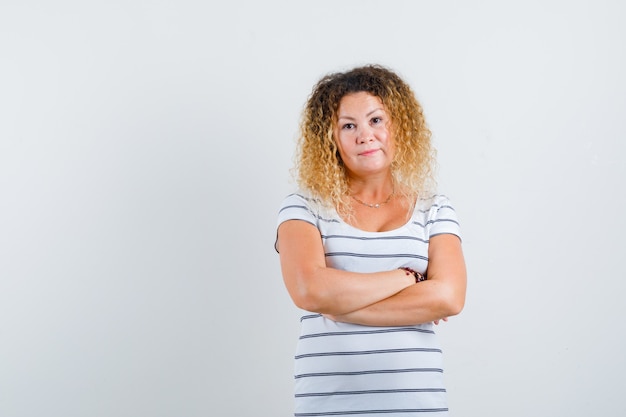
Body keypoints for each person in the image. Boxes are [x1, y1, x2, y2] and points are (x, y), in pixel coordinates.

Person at [275, 64, 467, 417]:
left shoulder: (434, 209)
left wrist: (339, 304)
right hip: (328, 405)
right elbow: (309, 290)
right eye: (349, 125)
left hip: (418, 405)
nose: (365, 135)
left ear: (399, 126)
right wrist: (406, 278)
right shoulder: (305, 207)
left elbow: (448, 297)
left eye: (376, 120)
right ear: (330, 138)